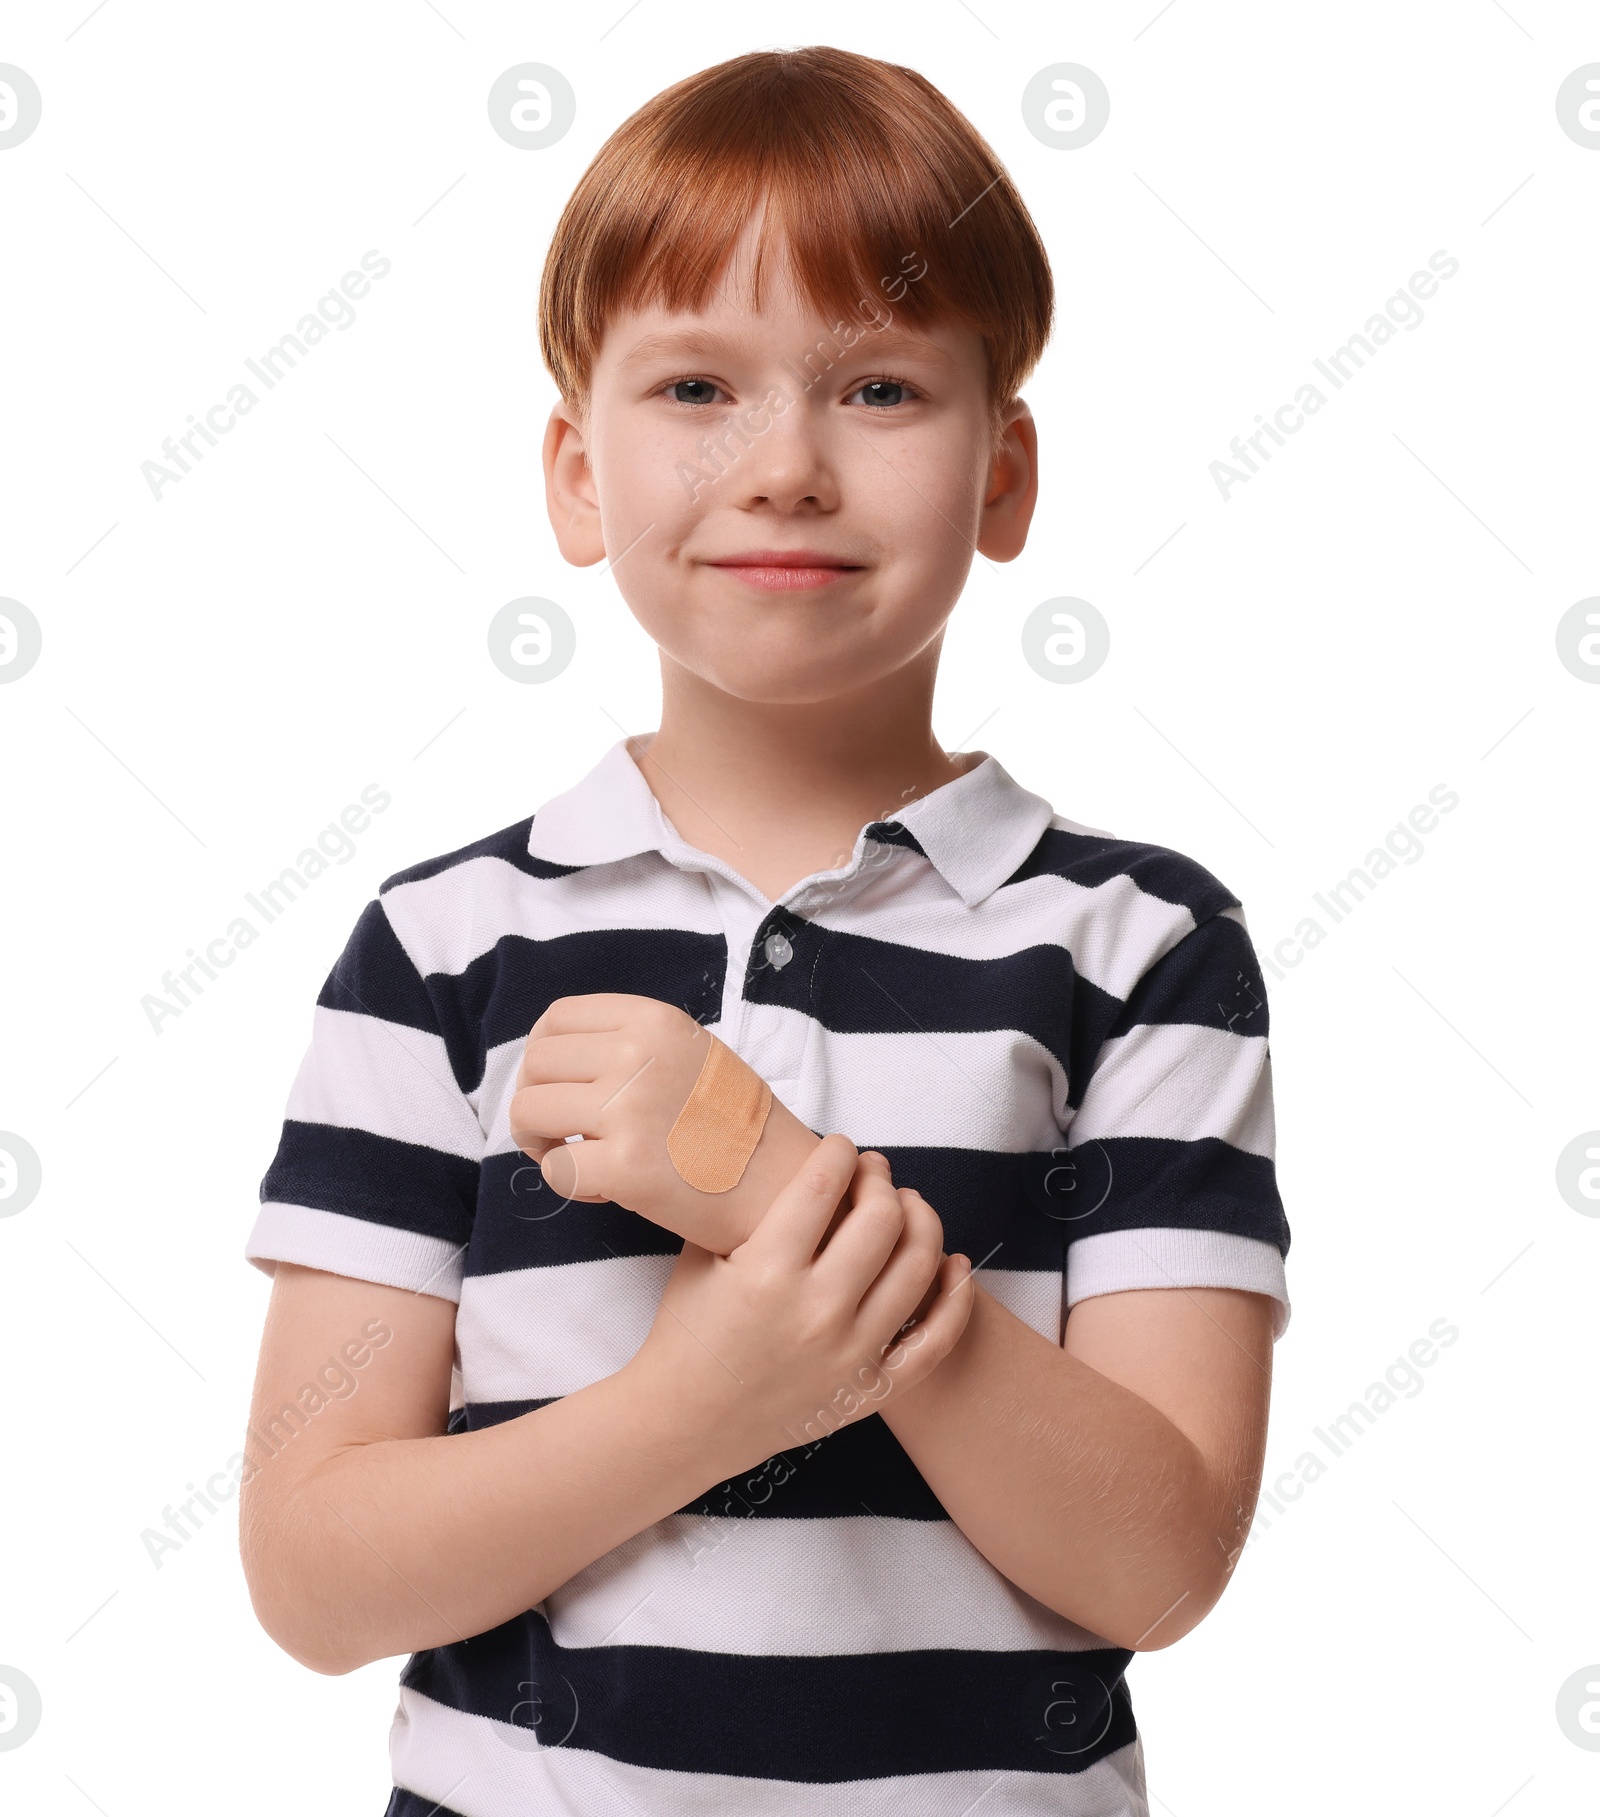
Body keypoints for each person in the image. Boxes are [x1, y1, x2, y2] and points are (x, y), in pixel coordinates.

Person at [238, 45, 1290, 1817]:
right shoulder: (437, 953)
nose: (786, 465)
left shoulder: (1141, 946)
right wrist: (700, 1403)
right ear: (578, 474)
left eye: (878, 389)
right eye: (699, 387)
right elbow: (315, 1572)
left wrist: (768, 1185)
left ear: (1004, 473)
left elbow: (1160, 1560)